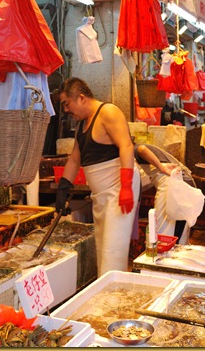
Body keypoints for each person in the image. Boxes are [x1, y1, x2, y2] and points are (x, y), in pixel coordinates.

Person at [55, 77, 141, 276]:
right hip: (100, 195)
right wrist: (63, 187)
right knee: (102, 249)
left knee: (112, 252)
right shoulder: (82, 125)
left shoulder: (108, 112)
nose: (66, 110)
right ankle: (107, 292)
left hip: (119, 189)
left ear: (81, 98)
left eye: (67, 104)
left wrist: (127, 186)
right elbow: (75, 160)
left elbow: (126, 146)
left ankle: (112, 300)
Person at [134, 144, 191, 244]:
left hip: (171, 184)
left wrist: (161, 168)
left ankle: (163, 255)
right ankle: (177, 254)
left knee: (164, 229)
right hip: (182, 183)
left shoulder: (134, 148)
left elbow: (142, 150)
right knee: (179, 228)